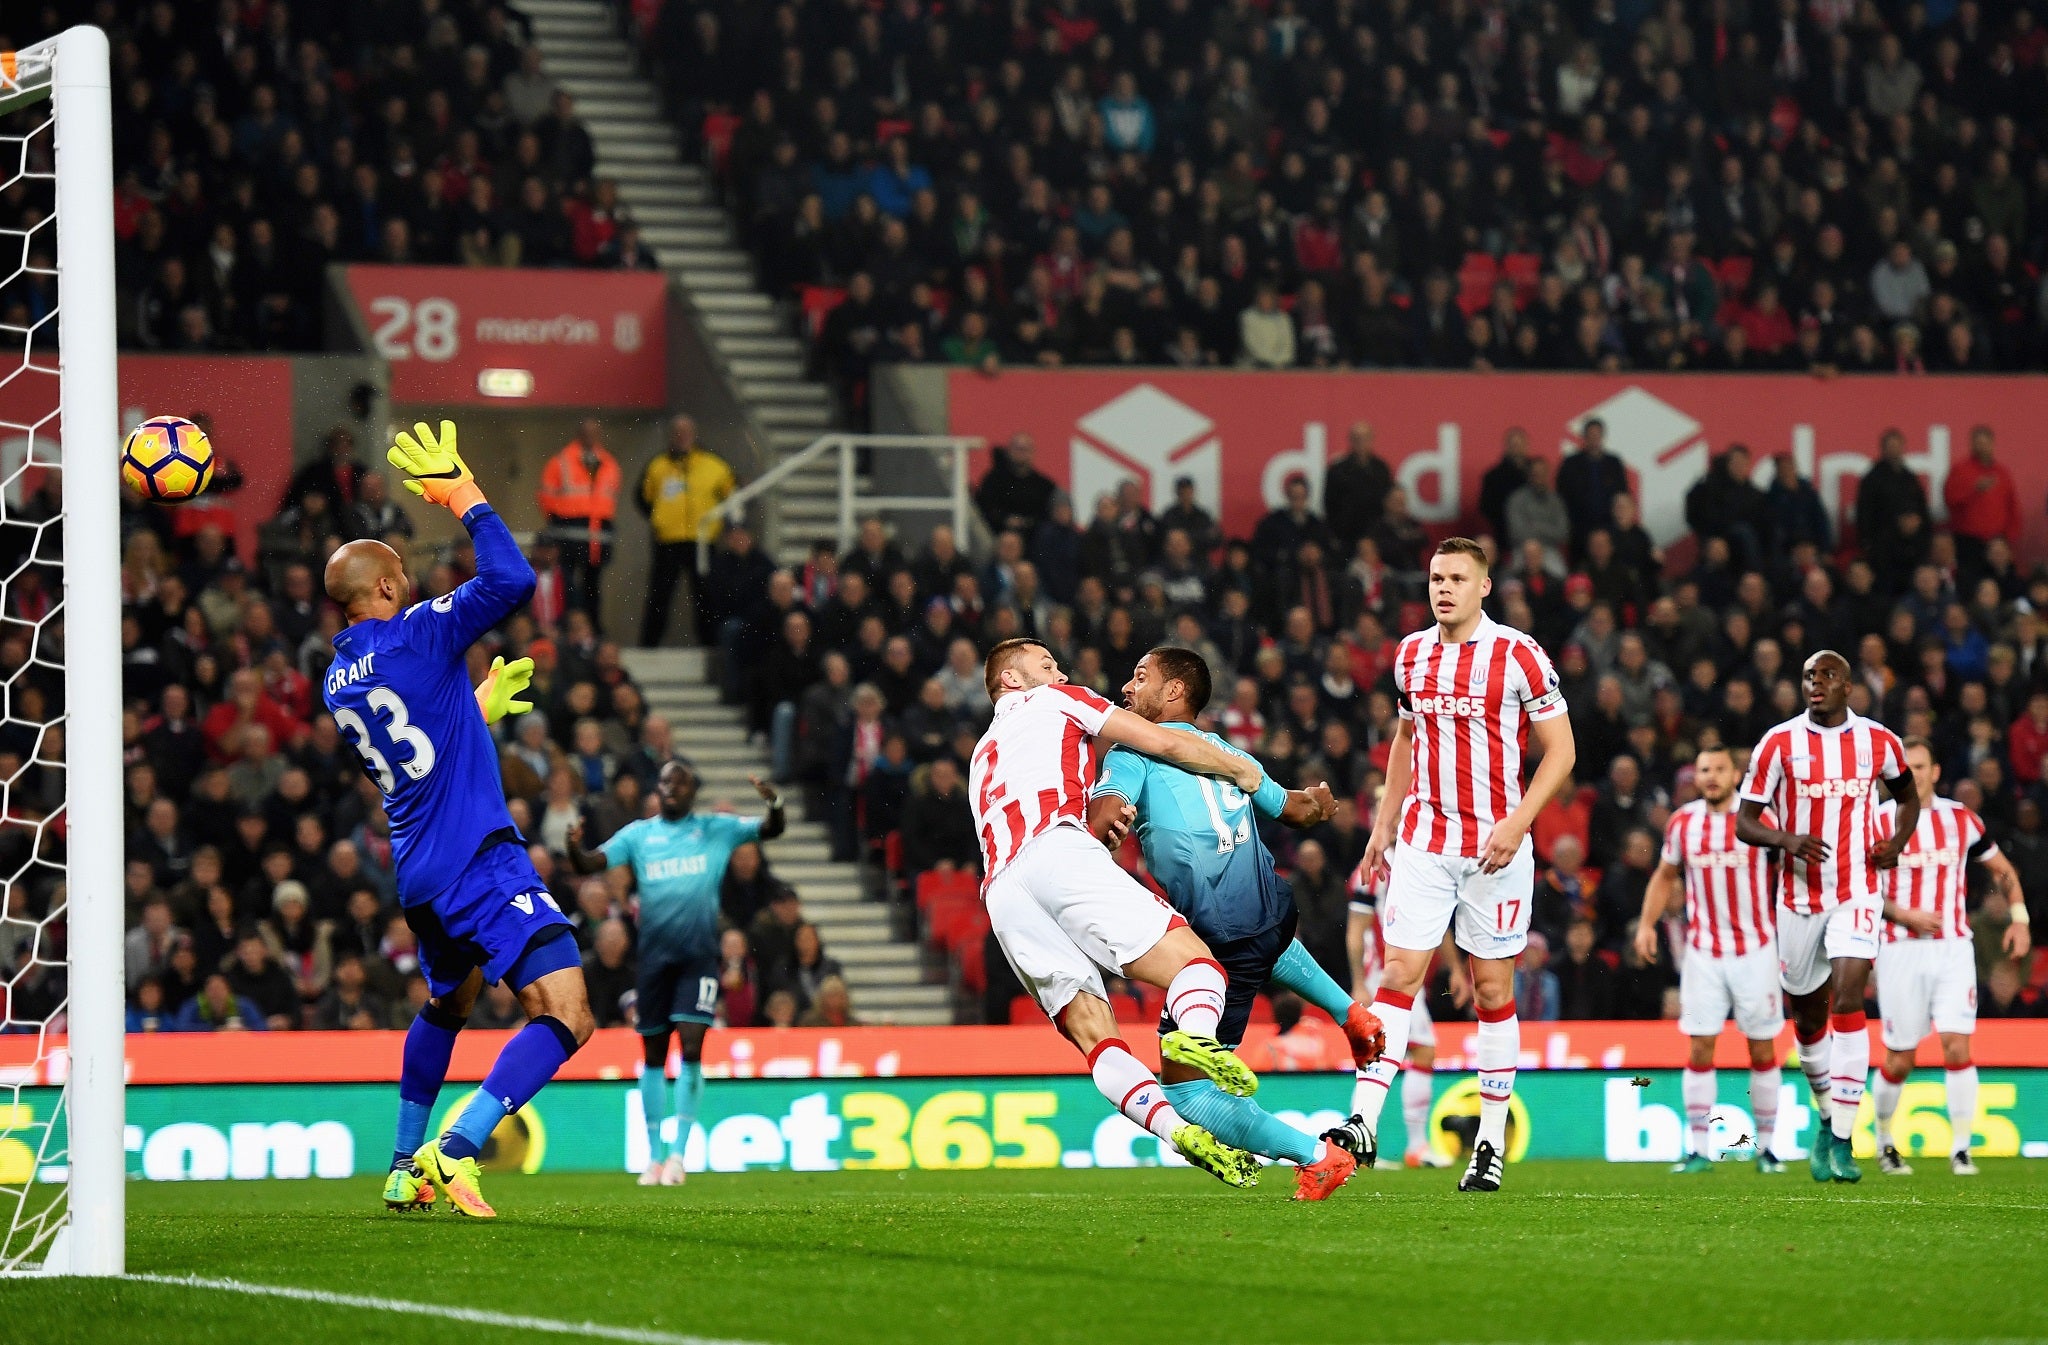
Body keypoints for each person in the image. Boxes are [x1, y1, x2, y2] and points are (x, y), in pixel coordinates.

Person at [325, 419, 591, 1220]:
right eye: (399, 573)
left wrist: (471, 710)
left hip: (421, 875)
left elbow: (419, 749)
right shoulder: (416, 632)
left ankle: (403, 1164)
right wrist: (466, 496)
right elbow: (510, 582)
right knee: (568, 1011)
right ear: (380, 590)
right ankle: (459, 1143)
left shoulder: (338, 677)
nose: (408, 582)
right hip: (480, 860)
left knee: (448, 1003)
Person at [970, 637, 1290, 1189]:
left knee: (1096, 1037)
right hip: (1055, 850)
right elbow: (1163, 742)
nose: (1060, 669)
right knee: (1197, 967)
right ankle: (1196, 1036)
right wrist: (1243, 771)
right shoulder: (1059, 699)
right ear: (1013, 681)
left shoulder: (980, 754)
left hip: (1002, 892)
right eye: (1046, 664)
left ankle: (1176, 1134)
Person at [1084, 645, 1381, 1200]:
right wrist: (1318, 802)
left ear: (1174, 692)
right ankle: (1352, 1013)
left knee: (1187, 1094)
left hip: (1220, 941)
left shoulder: (1131, 754)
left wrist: (1086, 824)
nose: (1126, 687)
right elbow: (1292, 809)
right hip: (1272, 908)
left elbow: (1104, 817)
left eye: (1140, 677)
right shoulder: (1225, 750)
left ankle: (1320, 1157)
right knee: (1274, 943)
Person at [1337, 538, 1578, 1192]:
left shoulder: (1519, 654)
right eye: (1437, 577)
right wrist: (1384, 824)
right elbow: (1407, 737)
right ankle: (1362, 1120)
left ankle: (1490, 1143)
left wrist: (1518, 822)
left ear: (1484, 586)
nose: (1444, 588)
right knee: (1398, 972)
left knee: (1492, 990)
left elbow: (1561, 751)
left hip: (1495, 848)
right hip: (1423, 839)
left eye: (1458, 578)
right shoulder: (1411, 654)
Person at [1736, 649, 1919, 1185]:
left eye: (1828, 676)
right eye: (1809, 677)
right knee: (1809, 1020)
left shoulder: (1879, 741)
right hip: (1796, 899)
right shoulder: (1778, 743)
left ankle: (1843, 1139)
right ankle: (1825, 1118)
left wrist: (1899, 841)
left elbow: (1908, 797)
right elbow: (1746, 823)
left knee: (1846, 1001)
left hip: (1858, 890)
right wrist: (1785, 838)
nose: (1816, 684)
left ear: (1849, 687)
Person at [564, 756, 785, 1186]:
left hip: (698, 958)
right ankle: (652, 1158)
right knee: (651, 1055)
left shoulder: (716, 829)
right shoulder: (639, 835)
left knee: (692, 1045)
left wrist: (774, 802)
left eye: (679, 783)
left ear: (692, 791)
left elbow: (770, 829)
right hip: (654, 962)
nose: (670, 789)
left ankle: (680, 1156)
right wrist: (574, 846)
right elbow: (590, 864)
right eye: (664, 783)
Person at [1870, 738, 2031, 1177]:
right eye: (1906, 767)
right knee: (1900, 1058)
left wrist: (2019, 920)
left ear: (1935, 772)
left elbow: (2004, 872)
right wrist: (1903, 914)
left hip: (1952, 948)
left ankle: (1961, 1148)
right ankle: (1884, 1140)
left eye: (1921, 766)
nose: (1914, 773)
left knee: (1957, 1046)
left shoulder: (1961, 820)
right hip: (1899, 950)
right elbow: (1858, 891)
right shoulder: (1878, 822)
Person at [1634, 746, 1788, 1174]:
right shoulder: (1684, 822)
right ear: (1696, 777)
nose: (1712, 776)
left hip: (1757, 949)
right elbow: (1665, 876)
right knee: (1700, 1047)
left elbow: (1791, 868)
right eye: (1705, 770)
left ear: (1736, 774)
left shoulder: (1762, 818)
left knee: (1762, 1049)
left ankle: (1769, 1149)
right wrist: (1647, 925)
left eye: (1720, 769)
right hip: (1704, 953)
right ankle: (1700, 1150)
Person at [1349, 862, 1463, 1169]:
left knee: (1416, 1051)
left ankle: (1394, 1145)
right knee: (1383, 1052)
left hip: (1409, 976)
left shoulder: (1421, 859)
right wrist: (1359, 981)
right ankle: (1369, 1144)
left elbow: (1438, 923)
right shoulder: (1373, 867)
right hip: (1384, 977)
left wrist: (1454, 968)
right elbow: (1355, 928)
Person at [636, 414, 735, 646]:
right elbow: (643, 497)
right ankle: (649, 646)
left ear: (694, 434)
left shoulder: (715, 465)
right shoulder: (657, 465)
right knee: (660, 595)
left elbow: (732, 497)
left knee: (705, 597)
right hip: (668, 540)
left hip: (702, 540)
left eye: (686, 431)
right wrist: (660, 520)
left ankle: (710, 645)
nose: (682, 436)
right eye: (677, 431)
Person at [536, 419, 622, 621]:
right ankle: (568, 626)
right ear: (579, 434)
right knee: (566, 585)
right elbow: (545, 497)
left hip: (597, 536)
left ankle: (591, 629)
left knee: (593, 587)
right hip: (567, 533)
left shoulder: (609, 463)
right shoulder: (561, 462)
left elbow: (610, 499)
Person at [1323, 421, 1394, 556]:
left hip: (1376, 534)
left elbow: (1387, 501)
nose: (1361, 442)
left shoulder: (1381, 469)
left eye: (1365, 438)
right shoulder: (1338, 470)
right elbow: (1329, 504)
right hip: (1346, 535)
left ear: (1372, 439)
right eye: (1357, 438)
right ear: (1350, 440)